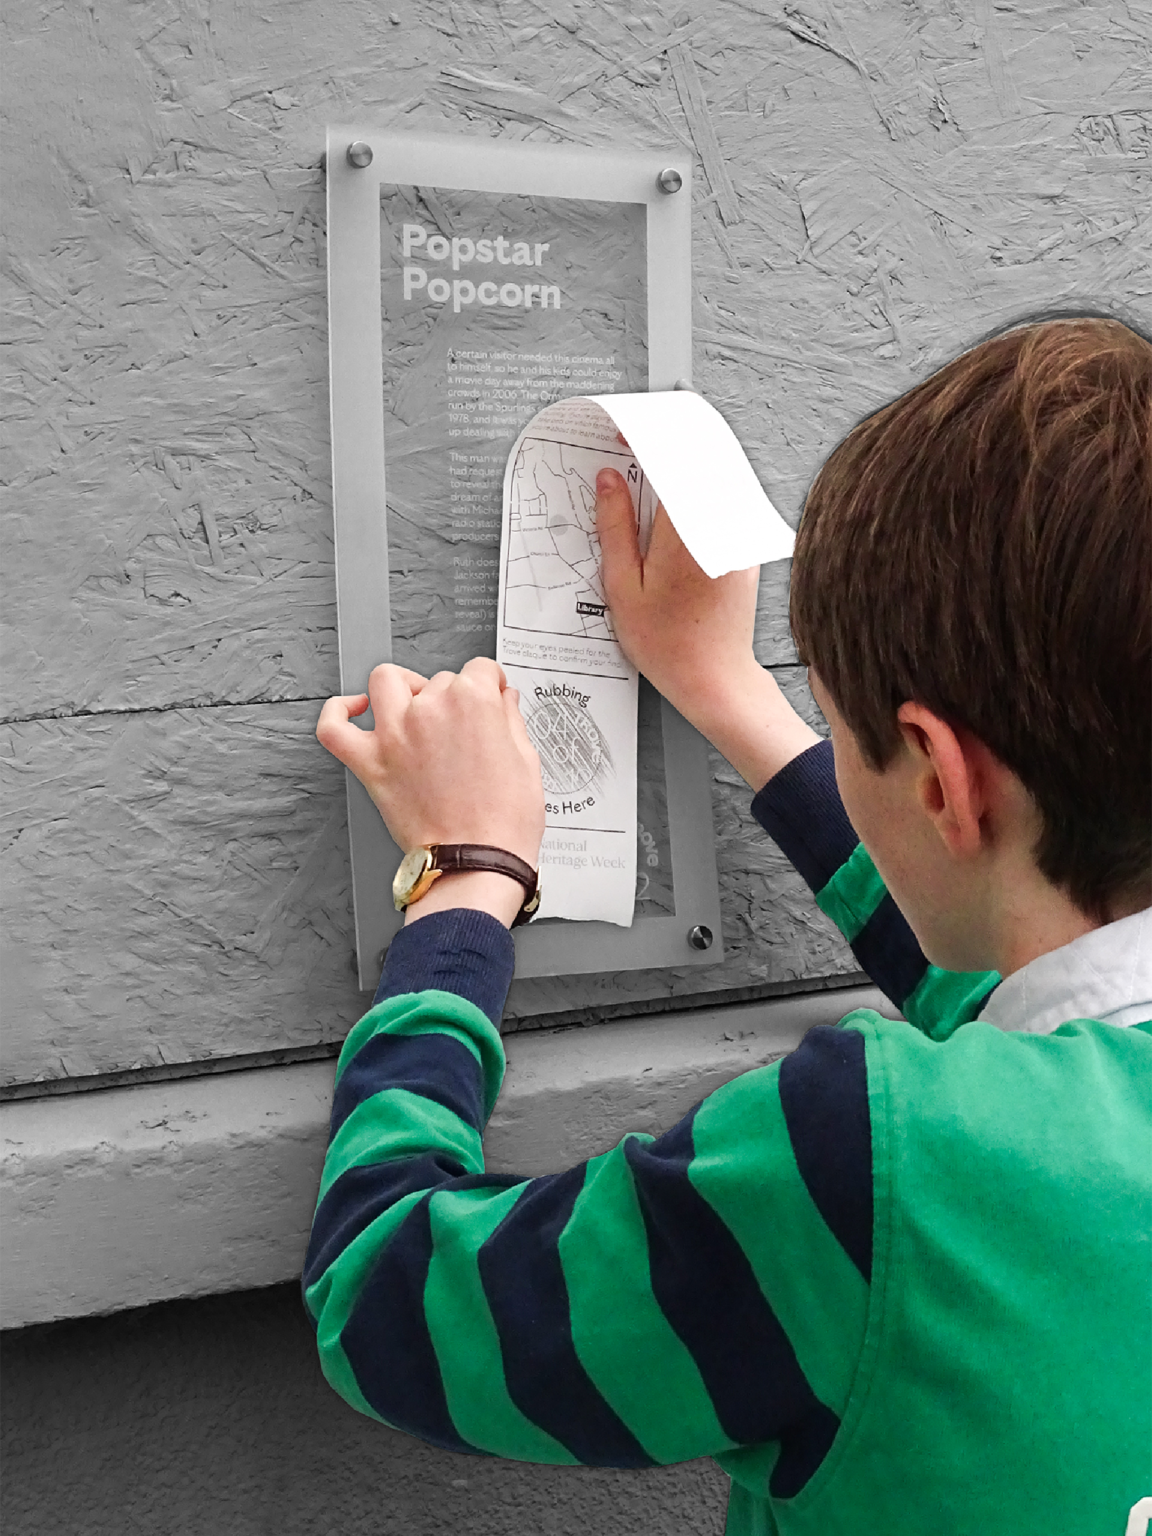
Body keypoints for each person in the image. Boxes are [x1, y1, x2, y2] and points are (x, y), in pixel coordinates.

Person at [304, 315, 1151, 1535]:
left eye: (841, 725)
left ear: (938, 779)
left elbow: (384, 1300)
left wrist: (465, 875)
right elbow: (1016, 998)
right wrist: (728, 690)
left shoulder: (877, 1163)